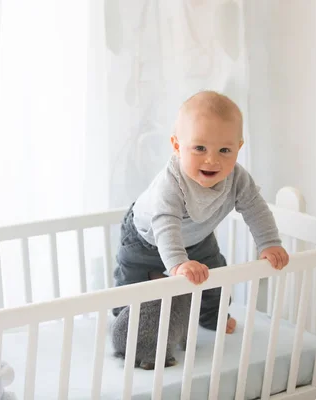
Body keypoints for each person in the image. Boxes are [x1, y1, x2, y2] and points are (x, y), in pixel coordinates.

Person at [113, 90, 289, 334]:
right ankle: (125, 319)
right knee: (133, 281)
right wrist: (178, 264)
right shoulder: (171, 184)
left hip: (196, 237)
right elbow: (166, 224)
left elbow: (255, 208)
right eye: (199, 148)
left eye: (224, 151)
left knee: (215, 274)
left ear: (238, 148)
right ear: (176, 145)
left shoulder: (237, 179)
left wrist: (269, 243)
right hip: (145, 237)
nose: (211, 160)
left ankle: (211, 317)